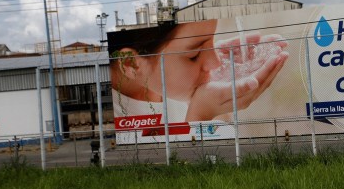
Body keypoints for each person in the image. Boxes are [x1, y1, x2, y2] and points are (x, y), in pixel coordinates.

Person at [108, 20, 289, 122]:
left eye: (212, 41)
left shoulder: (169, 86)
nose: (217, 62)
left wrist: (218, 108)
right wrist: (201, 116)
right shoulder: (116, 117)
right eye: (194, 55)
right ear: (131, 64)